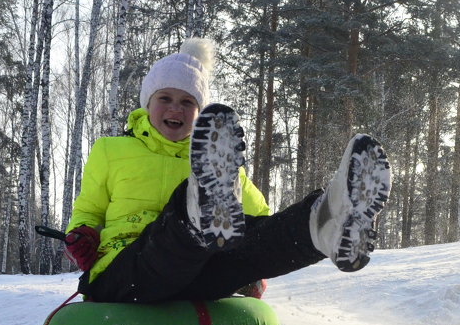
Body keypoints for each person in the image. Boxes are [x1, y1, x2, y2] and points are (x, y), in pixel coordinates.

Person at [63, 38, 392, 304]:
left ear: (197, 112)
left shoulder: (216, 160)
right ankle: (196, 211)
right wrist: (83, 234)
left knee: (245, 245)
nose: (176, 107)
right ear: (147, 103)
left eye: (188, 102)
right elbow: (89, 210)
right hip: (126, 270)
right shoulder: (111, 150)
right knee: (179, 233)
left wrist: (253, 269)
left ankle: (323, 223)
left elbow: (258, 216)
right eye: (165, 97)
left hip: (196, 279)